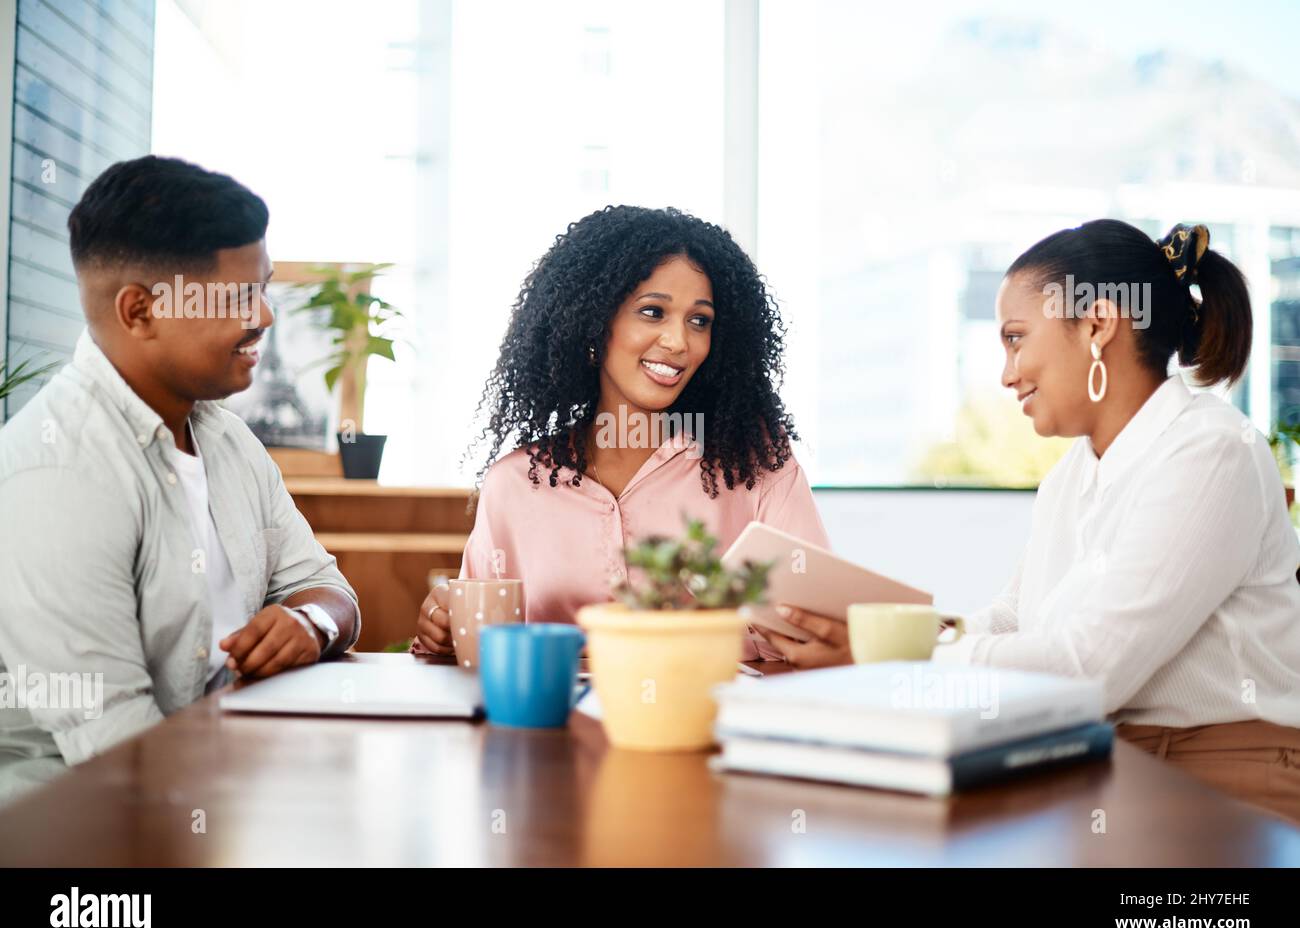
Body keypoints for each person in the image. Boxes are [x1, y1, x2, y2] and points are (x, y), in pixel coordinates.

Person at [777, 219, 1300, 824]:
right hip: (1105, 766)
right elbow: (1012, 619)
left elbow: (1089, 670)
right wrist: (889, 633)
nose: (1007, 374)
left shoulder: (1211, 451)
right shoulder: (1070, 478)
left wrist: (898, 662)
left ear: (1099, 325)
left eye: (1017, 339)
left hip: (1230, 773)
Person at [0, 156, 361, 804]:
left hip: (220, 786)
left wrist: (309, 622)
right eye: (238, 297)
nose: (266, 317)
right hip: (88, 837)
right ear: (139, 310)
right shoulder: (55, 475)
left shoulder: (224, 435)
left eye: (265, 287)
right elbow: (120, 756)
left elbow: (330, 590)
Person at [411, 205, 828, 662]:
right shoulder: (514, 485)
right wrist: (444, 626)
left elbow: (811, 632)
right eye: (653, 312)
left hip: (708, 724)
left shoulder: (756, 467)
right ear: (594, 323)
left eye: (699, 320)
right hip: (555, 728)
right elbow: (478, 646)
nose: (678, 342)